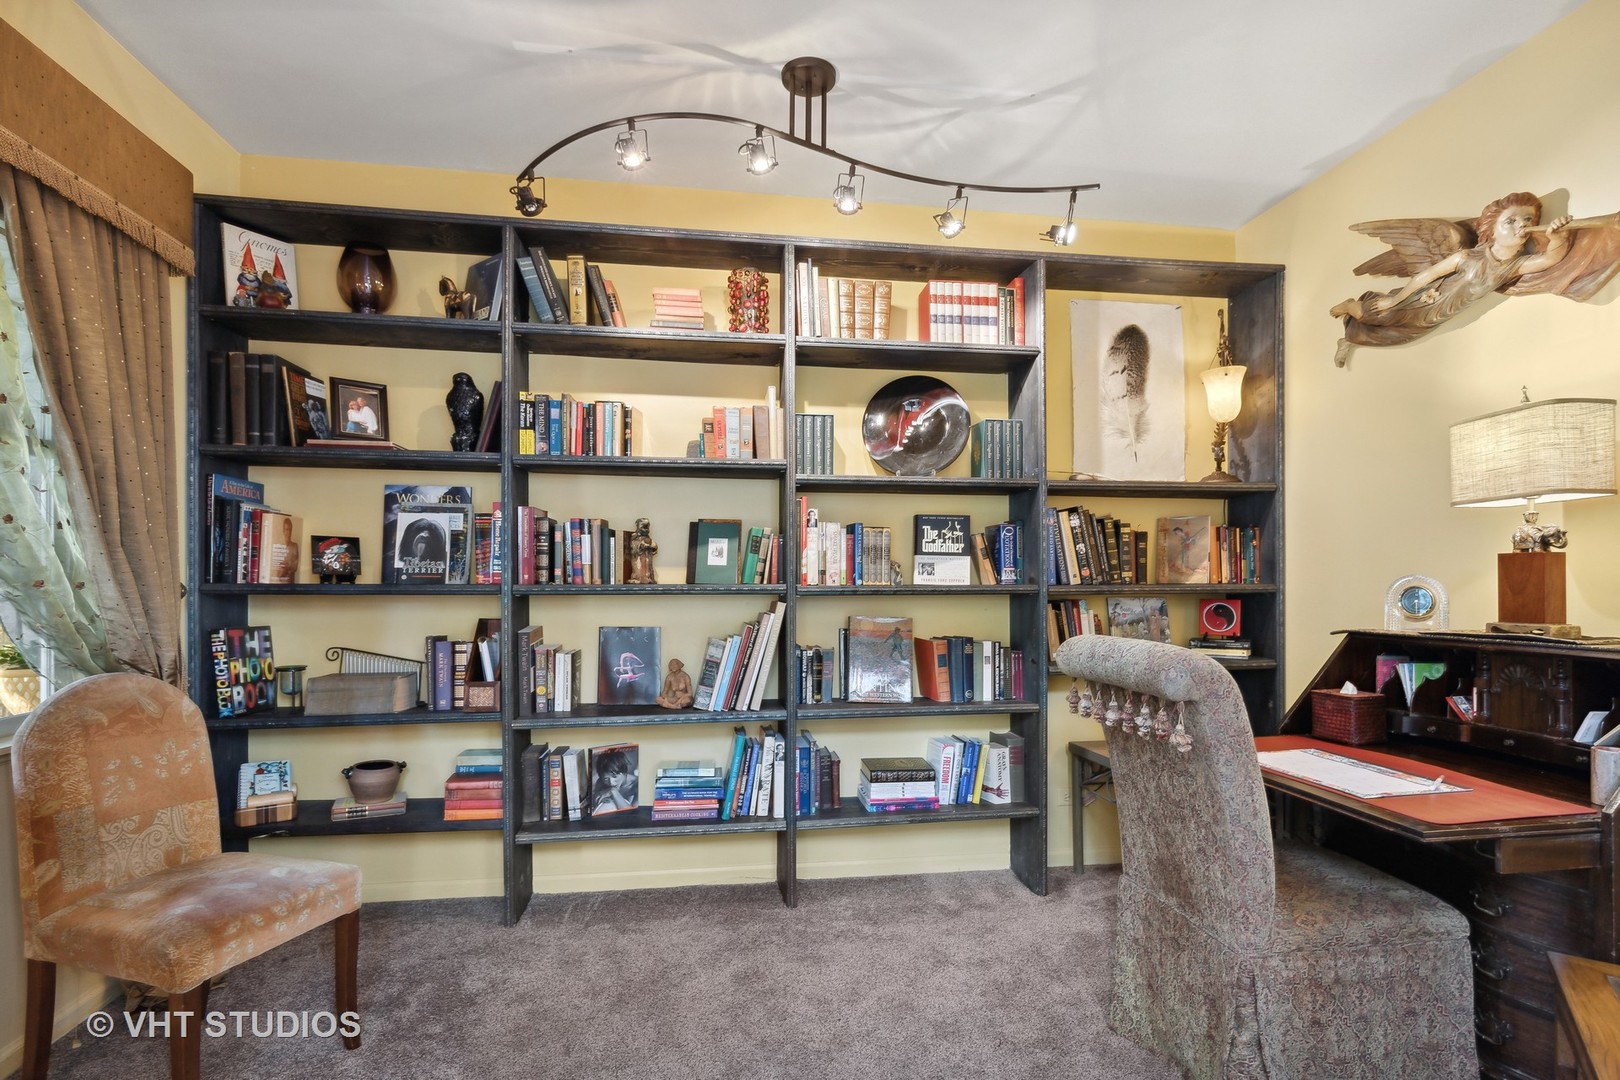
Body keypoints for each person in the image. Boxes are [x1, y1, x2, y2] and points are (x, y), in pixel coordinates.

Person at [1330, 192, 1574, 359]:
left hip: (1437, 316)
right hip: (1425, 299)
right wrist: (1394, 300)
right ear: (1492, 229)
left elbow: (1550, 259)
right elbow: (1423, 277)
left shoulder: (1513, 267)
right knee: (1378, 314)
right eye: (1510, 221)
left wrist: (1558, 237)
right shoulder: (1467, 257)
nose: (1521, 225)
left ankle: (1348, 341)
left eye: (1527, 219)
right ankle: (1352, 306)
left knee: (1394, 337)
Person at [589, 748, 638, 815]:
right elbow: (594, 805)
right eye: (606, 778)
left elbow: (633, 816)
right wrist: (597, 801)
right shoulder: (601, 782)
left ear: (624, 771)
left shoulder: (636, 785)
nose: (611, 782)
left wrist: (613, 791)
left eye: (615, 776)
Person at [627, 517, 658, 584]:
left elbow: (654, 546)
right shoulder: (634, 537)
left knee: (647, 568)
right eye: (643, 527)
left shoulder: (648, 538)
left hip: (647, 557)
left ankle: (648, 578)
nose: (646, 529)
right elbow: (634, 547)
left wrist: (653, 546)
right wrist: (642, 545)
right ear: (638, 527)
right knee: (639, 568)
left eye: (647, 527)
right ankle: (638, 578)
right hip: (639, 558)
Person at [272, 516, 299, 584]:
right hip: (278, 583)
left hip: (290, 583)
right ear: (283, 531)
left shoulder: (294, 546)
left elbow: (295, 567)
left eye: (290, 529)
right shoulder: (278, 546)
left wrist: (285, 567)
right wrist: (287, 566)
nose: (289, 532)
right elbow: (276, 568)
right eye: (287, 529)